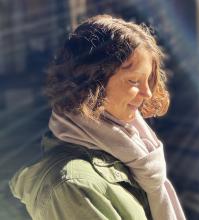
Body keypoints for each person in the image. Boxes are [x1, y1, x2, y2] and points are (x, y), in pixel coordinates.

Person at [9, 15, 186, 220]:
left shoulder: (136, 150)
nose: (147, 93)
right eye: (134, 81)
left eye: (148, 80)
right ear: (93, 82)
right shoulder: (72, 185)